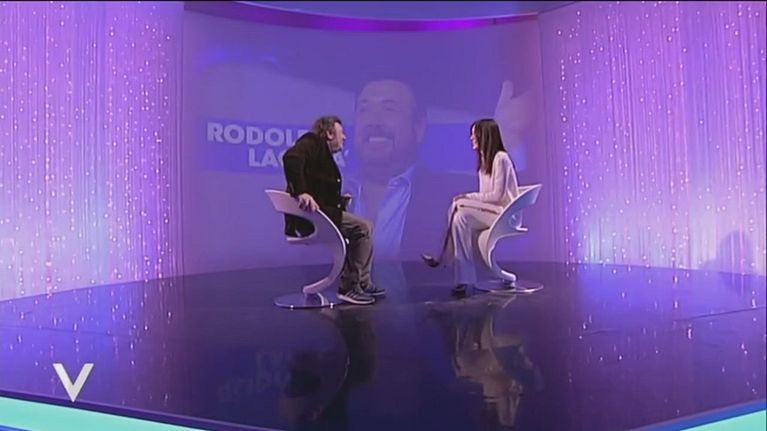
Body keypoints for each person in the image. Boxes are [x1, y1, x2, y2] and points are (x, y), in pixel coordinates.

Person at [347, 79, 474, 261]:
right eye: (364, 110)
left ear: (419, 127)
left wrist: (511, 146)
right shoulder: (326, 194)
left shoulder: (456, 197)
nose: (373, 121)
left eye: (389, 109)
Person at [282, 116, 385, 305]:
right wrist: (302, 192)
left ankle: (362, 282)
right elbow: (291, 158)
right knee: (362, 228)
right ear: (329, 133)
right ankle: (349, 287)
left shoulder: (320, 153)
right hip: (312, 218)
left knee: (367, 227)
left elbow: (318, 188)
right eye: (340, 133)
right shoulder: (312, 142)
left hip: (320, 215)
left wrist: (340, 201)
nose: (344, 137)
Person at [422, 118, 521, 296]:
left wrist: (468, 197)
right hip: (492, 212)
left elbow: (497, 197)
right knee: (459, 217)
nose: (471, 138)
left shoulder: (501, 158)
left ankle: (444, 256)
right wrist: (470, 201)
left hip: (506, 213)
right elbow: (486, 197)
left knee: (457, 204)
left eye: (475, 134)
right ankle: (463, 278)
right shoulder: (484, 161)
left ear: (485, 136)